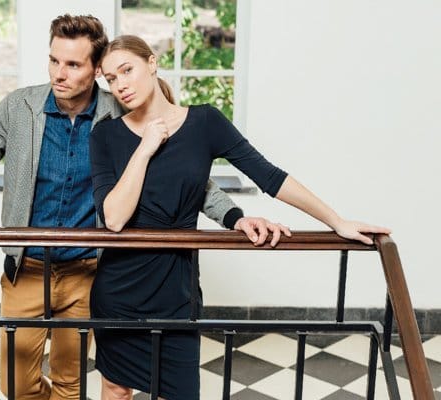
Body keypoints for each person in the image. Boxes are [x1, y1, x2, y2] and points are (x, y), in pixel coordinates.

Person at [0, 15, 284, 400]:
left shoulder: (121, 110)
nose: (59, 73)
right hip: (27, 269)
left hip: (88, 273)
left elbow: (184, 176)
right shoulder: (20, 108)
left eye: (73, 65)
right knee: (16, 385)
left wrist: (235, 217)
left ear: (96, 70)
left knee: (70, 383)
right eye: (54, 60)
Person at [89, 35, 391, 400]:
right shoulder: (105, 134)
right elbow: (114, 218)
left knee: (181, 392)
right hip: (119, 289)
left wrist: (336, 221)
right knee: (116, 388)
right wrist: (145, 148)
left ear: (151, 63)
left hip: (176, 289)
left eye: (127, 70)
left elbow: (269, 176)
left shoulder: (205, 122)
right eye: (110, 78)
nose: (120, 84)